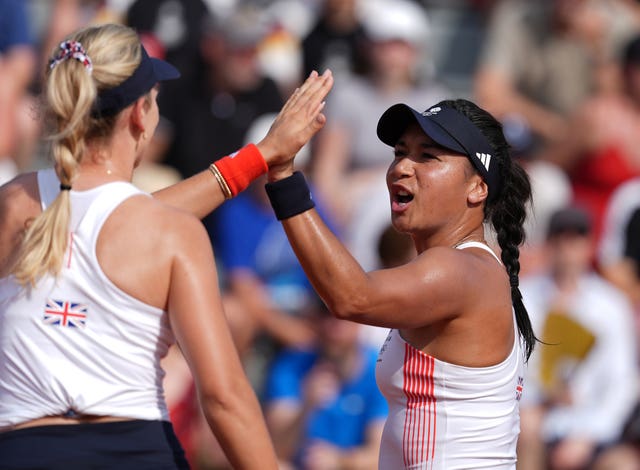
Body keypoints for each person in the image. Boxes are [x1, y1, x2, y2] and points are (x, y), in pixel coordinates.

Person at [0, 22, 334, 469]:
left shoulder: (13, 203)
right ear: (141, 114)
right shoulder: (170, 233)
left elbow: (105, 215)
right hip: (134, 451)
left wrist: (259, 155)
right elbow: (224, 397)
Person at [263, 98, 537, 468]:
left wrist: (282, 176)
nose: (401, 168)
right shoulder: (465, 266)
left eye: (427, 156)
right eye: (400, 152)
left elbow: (350, 297)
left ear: (477, 188)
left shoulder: (459, 268)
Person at [517, 206, 638, 470]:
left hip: (593, 429)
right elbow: (514, 372)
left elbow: (621, 383)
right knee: (527, 428)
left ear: (589, 246)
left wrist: (587, 435)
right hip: (538, 424)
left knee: (623, 466)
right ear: (548, 245)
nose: (567, 250)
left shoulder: (611, 305)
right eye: (560, 240)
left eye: (576, 240)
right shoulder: (524, 298)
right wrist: (543, 398)